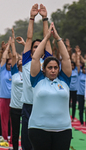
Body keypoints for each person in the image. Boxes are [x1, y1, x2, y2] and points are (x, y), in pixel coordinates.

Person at [28, 22, 72, 150]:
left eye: (55, 68)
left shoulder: (64, 80)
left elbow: (66, 59)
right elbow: (35, 58)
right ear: (44, 69)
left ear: (59, 69)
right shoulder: (37, 80)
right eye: (50, 68)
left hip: (63, 130)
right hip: (38, 129)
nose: (53, 70)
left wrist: (57, 38)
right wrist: (46, 37)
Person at [21, 4, 52, 149]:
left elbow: (48, 39)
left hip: (43, 107)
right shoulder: (27, 61)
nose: (37, 48)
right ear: (31, 50)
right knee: (27, 142)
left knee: (41, 143)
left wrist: (45, 18)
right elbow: (28, 38)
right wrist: (32, 18)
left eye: (40, 46)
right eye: (35, 46)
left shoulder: (47, 63)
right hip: (28, 106)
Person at [10, 28, 24, 150]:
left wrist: (25, 44)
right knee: (15, 133)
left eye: (21, 59)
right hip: (14, 106)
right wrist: (13, 41)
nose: (20, 60)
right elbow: (14, 55)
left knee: (25, 134)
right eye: (18, 60)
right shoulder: (14, 72)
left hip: (25, 106)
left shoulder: (29, 73)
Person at [0, 38, 12, 143]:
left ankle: (13, 139)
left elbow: (15, 57)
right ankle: (4, 138)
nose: (10, 66)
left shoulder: (15, 71)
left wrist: (13, 46)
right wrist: (7, 49)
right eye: (8, 64)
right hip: (3, 98)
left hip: (14, 100)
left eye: (12, 65)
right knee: (4, 120)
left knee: (14, 121)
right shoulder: (2, 70)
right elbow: (4, 58)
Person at [76, 51, 86, 126]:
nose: (84, 70)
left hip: (85, 95)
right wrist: (78, 56)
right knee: (81, 109)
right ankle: (82, 122)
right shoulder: (79, 74)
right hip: (80, 94)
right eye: (84, 69)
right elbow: (78, 65)